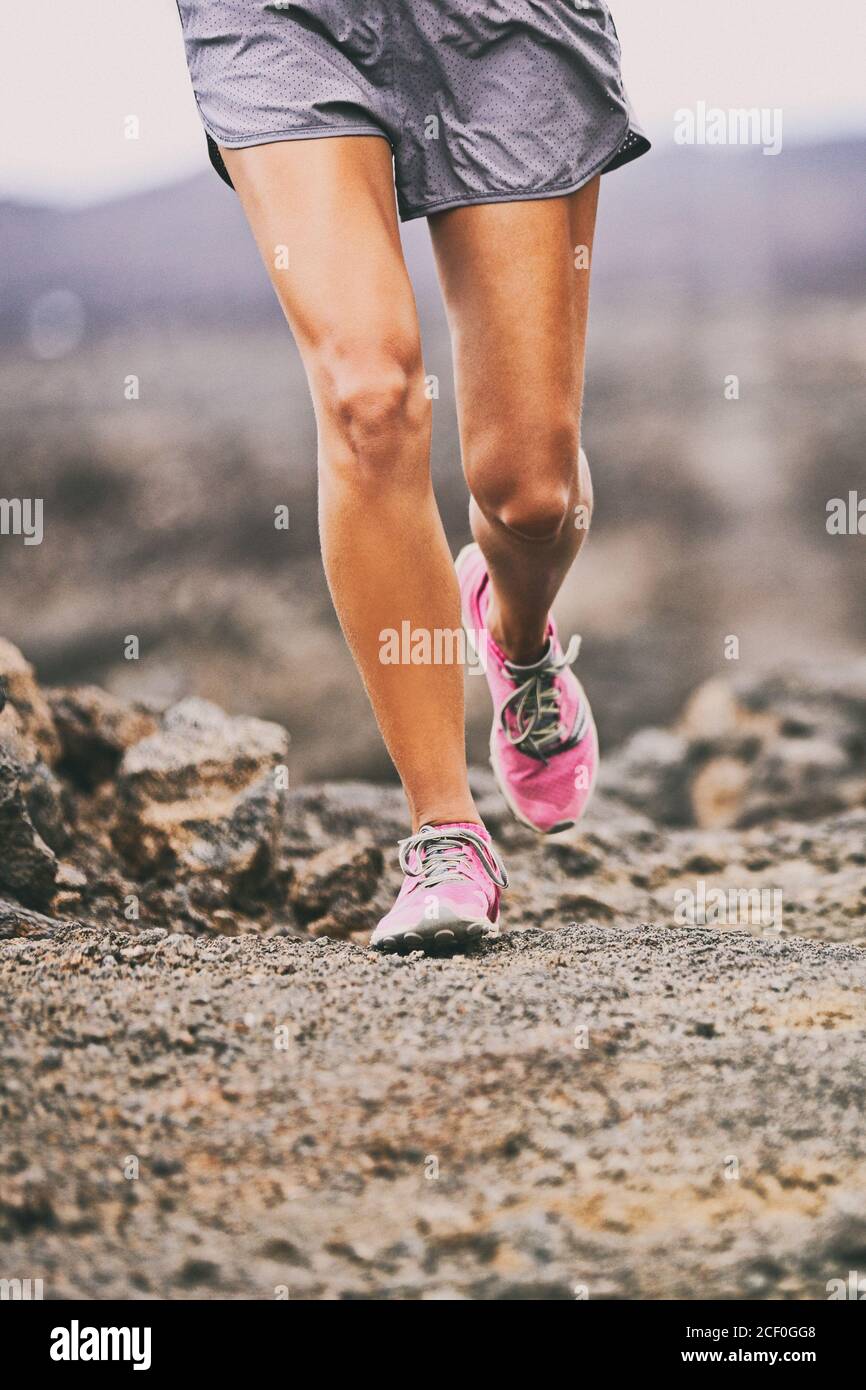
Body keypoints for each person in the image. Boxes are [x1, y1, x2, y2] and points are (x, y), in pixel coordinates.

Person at [174, 0, 649, 952]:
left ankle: (516, 638)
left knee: (529, 491)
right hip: (281, 19)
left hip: (501, 22)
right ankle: (446, 833)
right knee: (368, 397)